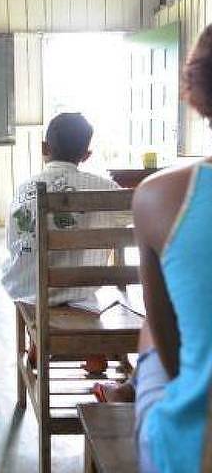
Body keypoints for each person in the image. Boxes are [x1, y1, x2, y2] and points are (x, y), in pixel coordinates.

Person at [129, 24, 212, 472]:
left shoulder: (160, 197)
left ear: (198, 91)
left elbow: (176, 359)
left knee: (149, 324)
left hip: (191, 451)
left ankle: (126, 391)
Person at [2, 112, 122, 374]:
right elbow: (135, 214)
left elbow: (13, 245)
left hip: (33, 296)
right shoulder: (104, 188)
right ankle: (92, 350)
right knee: (84, 291)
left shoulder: (24, 188)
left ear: (45, 148)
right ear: (86, 155)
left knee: (26, 273)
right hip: (81, 295)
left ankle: (38, 341)